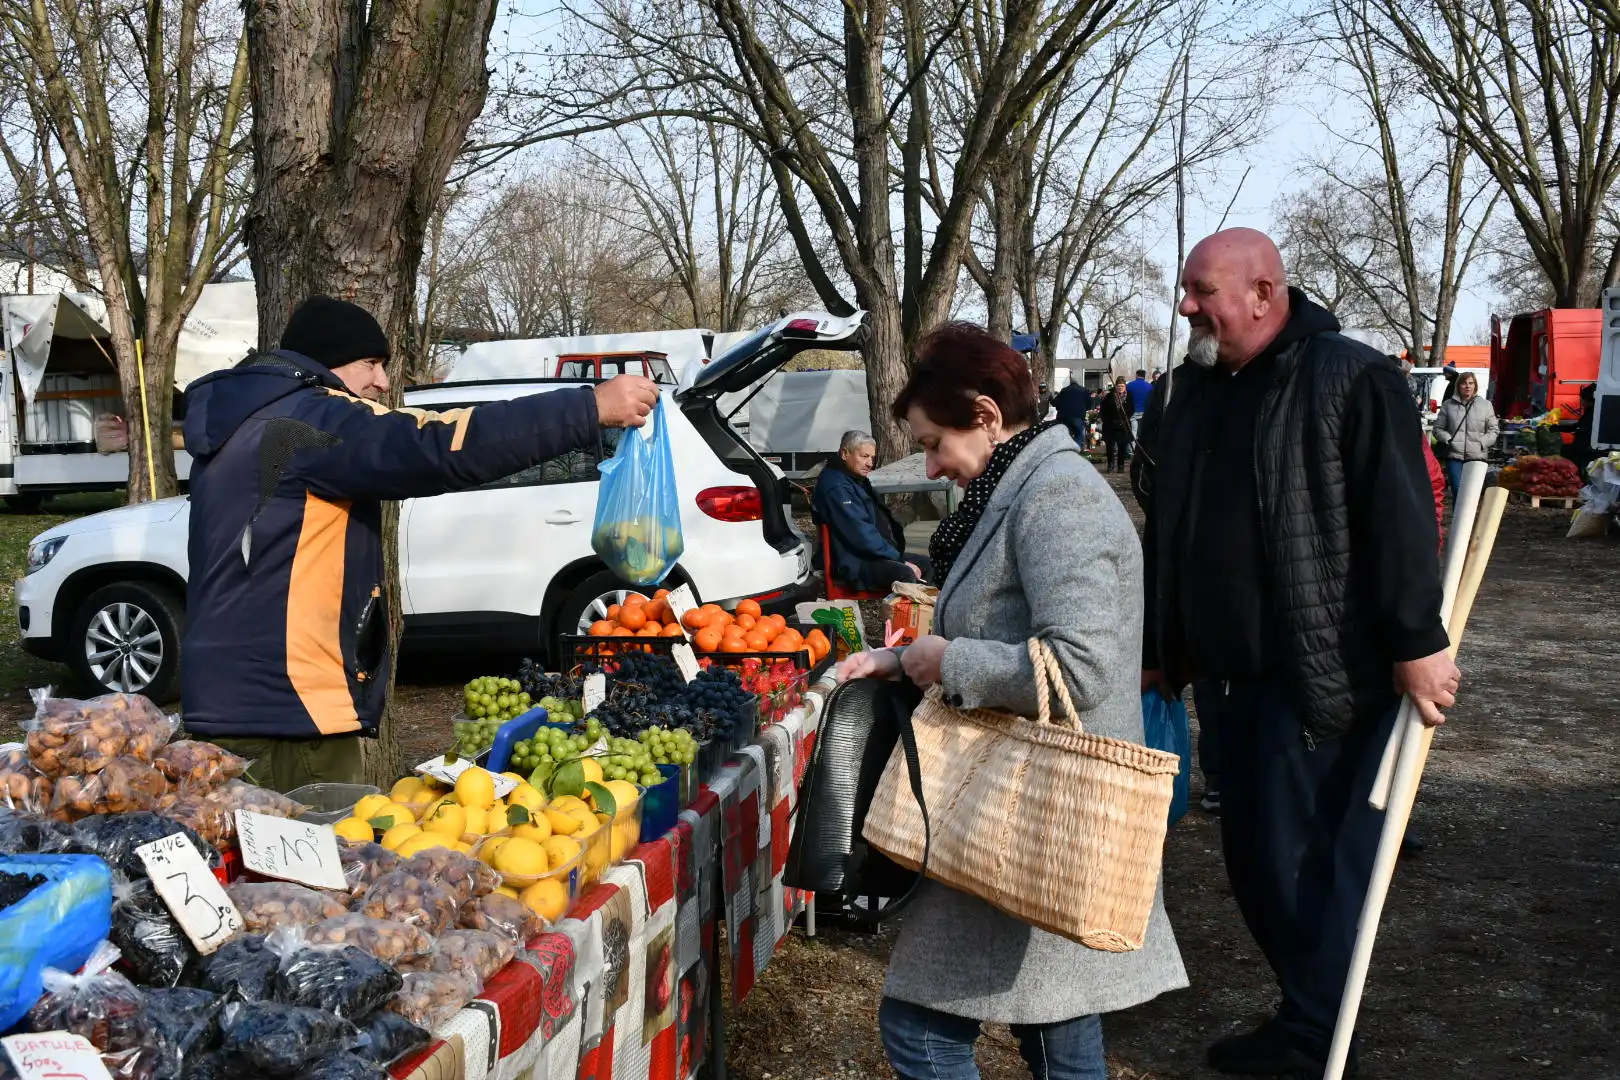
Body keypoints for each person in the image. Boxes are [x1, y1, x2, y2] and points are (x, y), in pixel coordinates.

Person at [1138, 229, 1458, 1079]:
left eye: (1202, 290)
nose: (1187, 307)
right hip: (1228, 682)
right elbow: (1171, 531)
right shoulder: (1194, 393)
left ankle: (1318, 1032)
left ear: (1263, 293)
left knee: (1307, 864)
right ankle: (1304, 1012)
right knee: (1251, 864)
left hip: (1323, 679)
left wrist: (1417, 642)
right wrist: (1159, 645)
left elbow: (1397, 518)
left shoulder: (1351, 377)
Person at [842, 322, 1186, 1080]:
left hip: (1039, 806)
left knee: (920, 1027)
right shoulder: (1017, 486)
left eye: (935, 442)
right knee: (1057, 1027)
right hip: (1038, 809)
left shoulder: (1058, 497)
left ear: (988, 415)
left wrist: (947, 659)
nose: (930, 463)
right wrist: (902, 658)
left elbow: (1084, 665)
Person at [180, 295, 659, 790]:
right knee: (310, 863)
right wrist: (588, 407)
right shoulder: (308, 421)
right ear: (327, 361)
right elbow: (437, 444)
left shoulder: (241, 425)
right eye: (371, 363)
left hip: (227, 703)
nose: (383, 382)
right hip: (290, 714)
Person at [812, 430, 931, 590]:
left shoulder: (854, 479)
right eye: (864, 456)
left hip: (870, 555)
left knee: (930, 564)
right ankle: (904, 614)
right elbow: (861, 535)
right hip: (852, 562)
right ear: (844, 454)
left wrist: (895, 554)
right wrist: (899, 560)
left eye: (872, 457)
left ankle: (931, 612)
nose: (870, 463)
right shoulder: (836, 487)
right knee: (905, 573)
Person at [1431, 371, 1499, 497]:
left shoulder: (1485, 405)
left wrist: (1481, 443)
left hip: (1477, 456)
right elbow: (1437, 428)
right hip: (1454, 456)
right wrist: (1448, 439)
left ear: (1475, 386)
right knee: (1458, 491)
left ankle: (1469, 517)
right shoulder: (1448, 405)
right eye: (1464, 383)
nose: (1467, 386)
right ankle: (1457, 517)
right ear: (1458, 386)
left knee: (1471, 495)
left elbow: (1493, 430)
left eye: (1471, 383)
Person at [1099, 377, 1133, 472]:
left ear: (1125, 386)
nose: (1120, 388)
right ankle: (1110, 465)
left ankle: (1121, 466)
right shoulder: (1110, 396)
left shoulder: (1129, 396)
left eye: (1122, 386)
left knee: (1122, 446)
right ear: (1115, 386)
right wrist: (1109, 420)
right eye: (1118, 386)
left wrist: (1125, 419)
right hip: (1111, 425)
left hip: (1123, 425)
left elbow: (1132, 408)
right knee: (1110, 447)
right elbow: (1103, 410)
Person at [1052, 381, 1093, 446]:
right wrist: (1085, 409)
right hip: (1078, 416)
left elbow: (1056, 402)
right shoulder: (1084, 390)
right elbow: (1090, 403)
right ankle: (1076, 450)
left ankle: (1066, 449)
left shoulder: (1064, 390)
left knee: (1066, 434)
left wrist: (1059, 408)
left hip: (1064, 416)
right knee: (1079, 434)